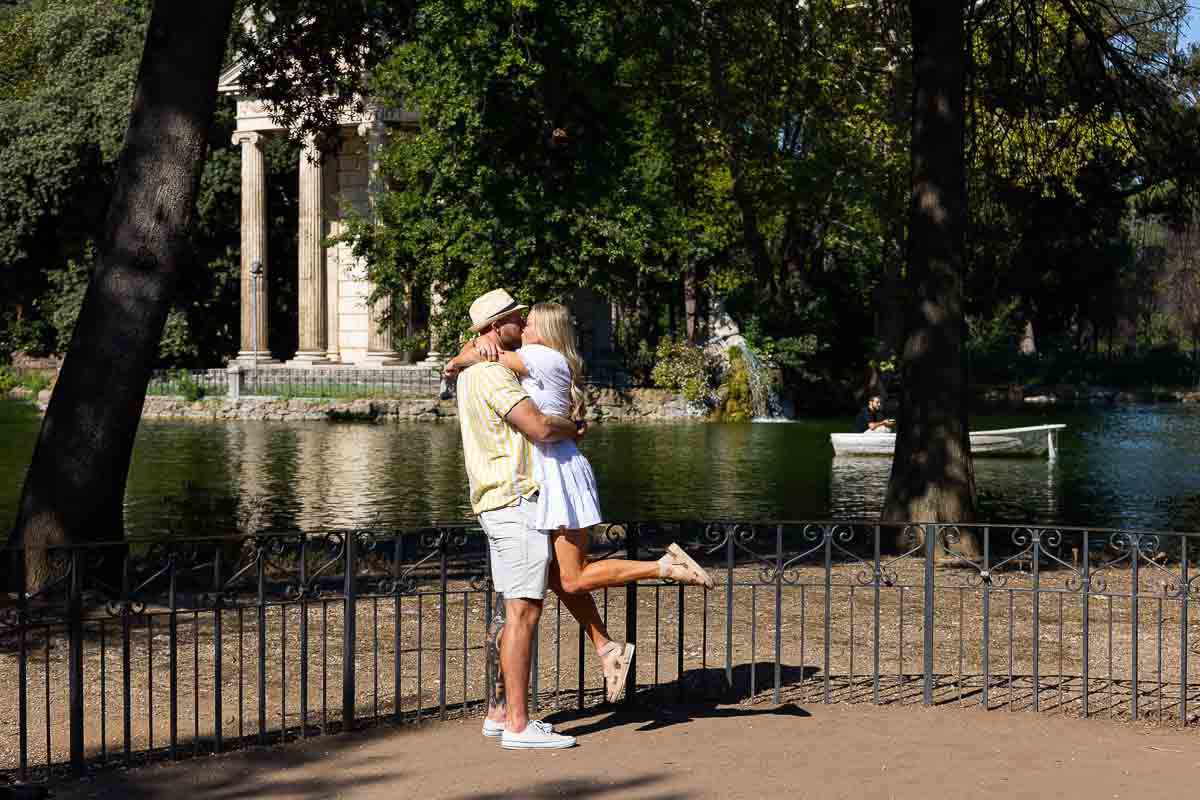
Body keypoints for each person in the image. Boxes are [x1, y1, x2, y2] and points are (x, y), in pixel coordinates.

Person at [448, 291, 714, 748]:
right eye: (517, 319)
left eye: (528, 321)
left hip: (546, 478)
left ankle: (513, 712)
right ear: (500, 325)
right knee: (542, 592)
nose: (522, 325)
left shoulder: (537, 360)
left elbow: (478, 364)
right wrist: (469, 353)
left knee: (548, 588)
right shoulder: (497, 366)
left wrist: (466, 355)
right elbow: (530, 415)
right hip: (527, 486)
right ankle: (533, 702)